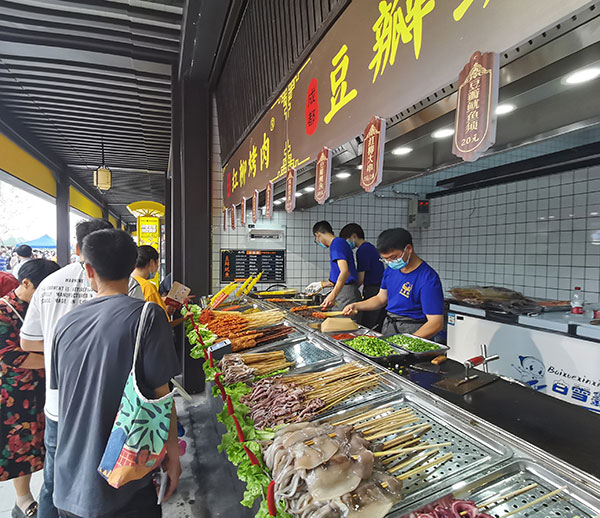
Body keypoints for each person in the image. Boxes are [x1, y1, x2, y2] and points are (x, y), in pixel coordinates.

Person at [50, 229, 181, 518]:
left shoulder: (66, 323)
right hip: (124, 477)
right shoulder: (147, 316)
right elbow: (162, 395)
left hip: (69, 477)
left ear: (89, 269)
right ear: (135, 263)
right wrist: (173, 455)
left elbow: (65, 393)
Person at [20, 219, 143, 518]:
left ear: (79, 249)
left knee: (54, 483)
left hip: (59, 405)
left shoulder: (48, 284)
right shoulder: (131, 289)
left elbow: (27, 341)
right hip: (113, 406)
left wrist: (64, 358)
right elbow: (138, 350)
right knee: (117, 480)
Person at [1, 259, 60, 518]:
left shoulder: (43, 305)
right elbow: (10, 355)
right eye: (41, 288)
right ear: (25, 282)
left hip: (46, 386)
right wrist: (59, 360)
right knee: (21, 444)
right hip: (15, 393)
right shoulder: (3, 311)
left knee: (46, 440)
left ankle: (51, 492)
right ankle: (23, 500)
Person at [343, 228, 444, 339]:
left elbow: (436, 323)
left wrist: (408, 343)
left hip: (414, 331)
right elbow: (381, 299)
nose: (390, 262)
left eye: (393, 257)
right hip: (390, 327)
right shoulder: (391, 270)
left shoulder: (427, 278)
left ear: (408, 249)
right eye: (386, 259)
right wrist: (356, 305)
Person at [305, 221, 361, 310]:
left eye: (316, 240)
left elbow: (345, 272)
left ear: (317, 235)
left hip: (346, 294)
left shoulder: (337, 244)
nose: (318, 242)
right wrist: (321, 284)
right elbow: (339, 275)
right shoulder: (338, 243)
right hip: (344, 291)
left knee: (343, 323)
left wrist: (333, 294)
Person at [340, 223, 385, 330]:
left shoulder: (363, 250)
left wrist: (350, 292)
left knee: (369, 324)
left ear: (354, 236)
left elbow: (361, 278)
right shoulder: (370, 247)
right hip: (378, 288)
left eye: (347, 239)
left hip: (374, 290)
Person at [132, 246, 168, 316]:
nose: (157, 268)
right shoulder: (148, 287)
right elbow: (162, 320)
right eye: (157, 263)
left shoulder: (125, 282)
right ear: (152, 263)